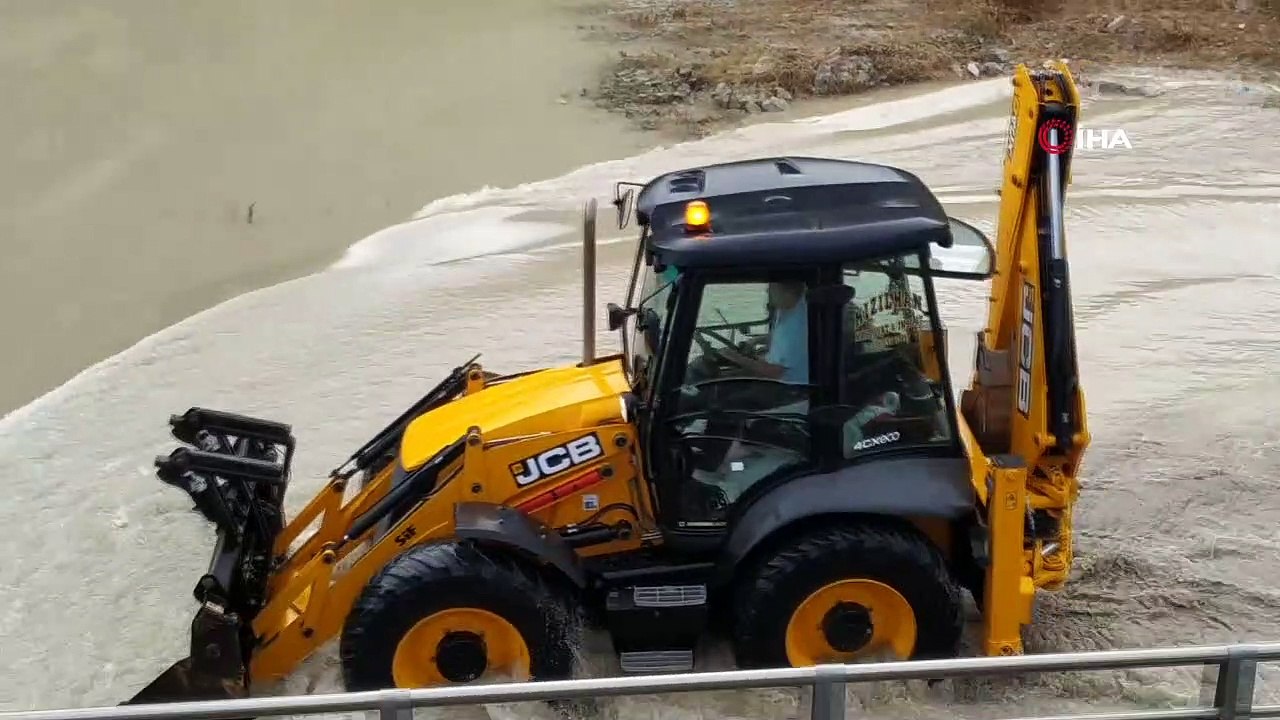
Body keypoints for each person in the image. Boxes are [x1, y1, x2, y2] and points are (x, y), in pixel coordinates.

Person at [712, 281, 809, 384]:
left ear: (788, 292)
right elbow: (780, 338)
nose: (767, 291)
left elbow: (775, 372)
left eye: (772, 289)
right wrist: (755, 341)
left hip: (788, 387)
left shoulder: (798, 326)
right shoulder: (788, 309)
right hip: (774, 376)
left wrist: (735, 357)